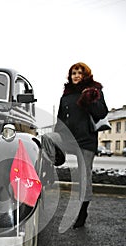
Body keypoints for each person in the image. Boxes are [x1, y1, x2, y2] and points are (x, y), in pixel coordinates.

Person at [42, 62, 108, 228]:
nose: (76, 75)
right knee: (47, 138)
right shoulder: (66, 96)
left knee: (84, 177)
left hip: (86, 141)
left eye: (79, 73)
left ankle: (83, 211)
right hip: (67, 138)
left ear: (85, 75)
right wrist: (57, 138)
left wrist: (89, 100)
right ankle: (52, 166)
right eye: (73, 73)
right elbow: (60, 119)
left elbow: (102, 112)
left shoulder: (94, 90)